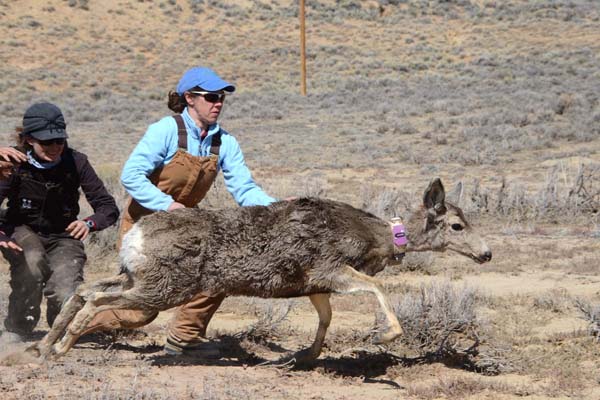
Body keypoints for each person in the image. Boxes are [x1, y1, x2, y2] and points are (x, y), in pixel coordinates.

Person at [85, 66, 277, 356]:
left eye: (222, 98)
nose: (218, 103)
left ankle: (184, 340)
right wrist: (169, 206)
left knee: (220, 273)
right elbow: (132, 175)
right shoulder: (165, 130)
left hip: (187, 227)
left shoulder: (225, 142)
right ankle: (79, 325)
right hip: (145, 227)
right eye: (211, 97)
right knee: (141, 312)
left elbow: (244, 189)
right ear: (190, 98)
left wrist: (276, 209)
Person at [0, 102, 120, 340]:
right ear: (29, 140)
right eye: (46, 142)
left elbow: (107, 207)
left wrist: (89, 223)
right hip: (22, 228)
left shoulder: (77, 161)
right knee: (32, 262)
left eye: (60, 141)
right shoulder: (10, 162)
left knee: (66, 286)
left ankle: (61, 326)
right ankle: (18, 327)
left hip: (63, 234)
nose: (55, 147)